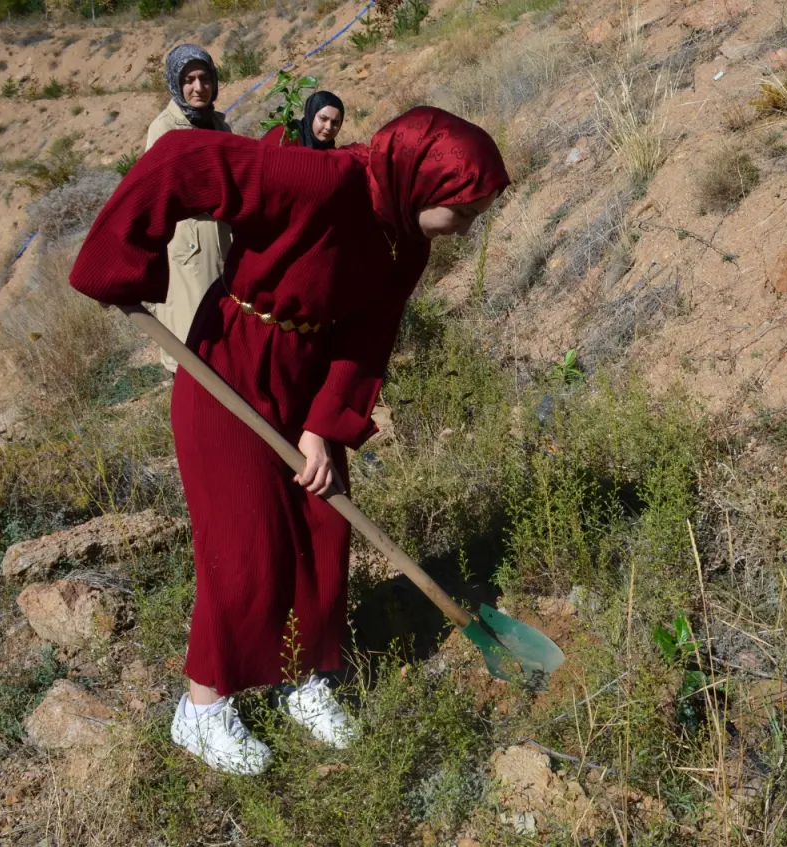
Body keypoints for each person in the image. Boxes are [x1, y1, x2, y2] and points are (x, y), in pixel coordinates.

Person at [69, 107, 508, 775]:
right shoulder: (319, 180)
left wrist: (323, 428)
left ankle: (301, 675)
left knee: (321, 527)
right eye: (464, 212)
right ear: (422, 181)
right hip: (231, 363)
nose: (467, 229)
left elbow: (368, 337)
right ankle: (202, 708)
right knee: (244, 539)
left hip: (308, 380)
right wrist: (122, 265)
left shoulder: (406, 241)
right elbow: (182, 159)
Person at [144, 44, 233, 373]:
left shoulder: (220, 125)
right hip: (188, 245)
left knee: (223, 334)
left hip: (223, 238)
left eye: (205, 78)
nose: (199, 87)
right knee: (190, 337)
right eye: (189, 80)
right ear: (175, 82)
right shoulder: (165, 129)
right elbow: (160, 191)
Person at [261, 89, 345, 149]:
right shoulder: (285, 135)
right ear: (311, 115)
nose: (328, 127)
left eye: (335, 123)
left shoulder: (332, 155)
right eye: (323, 119)